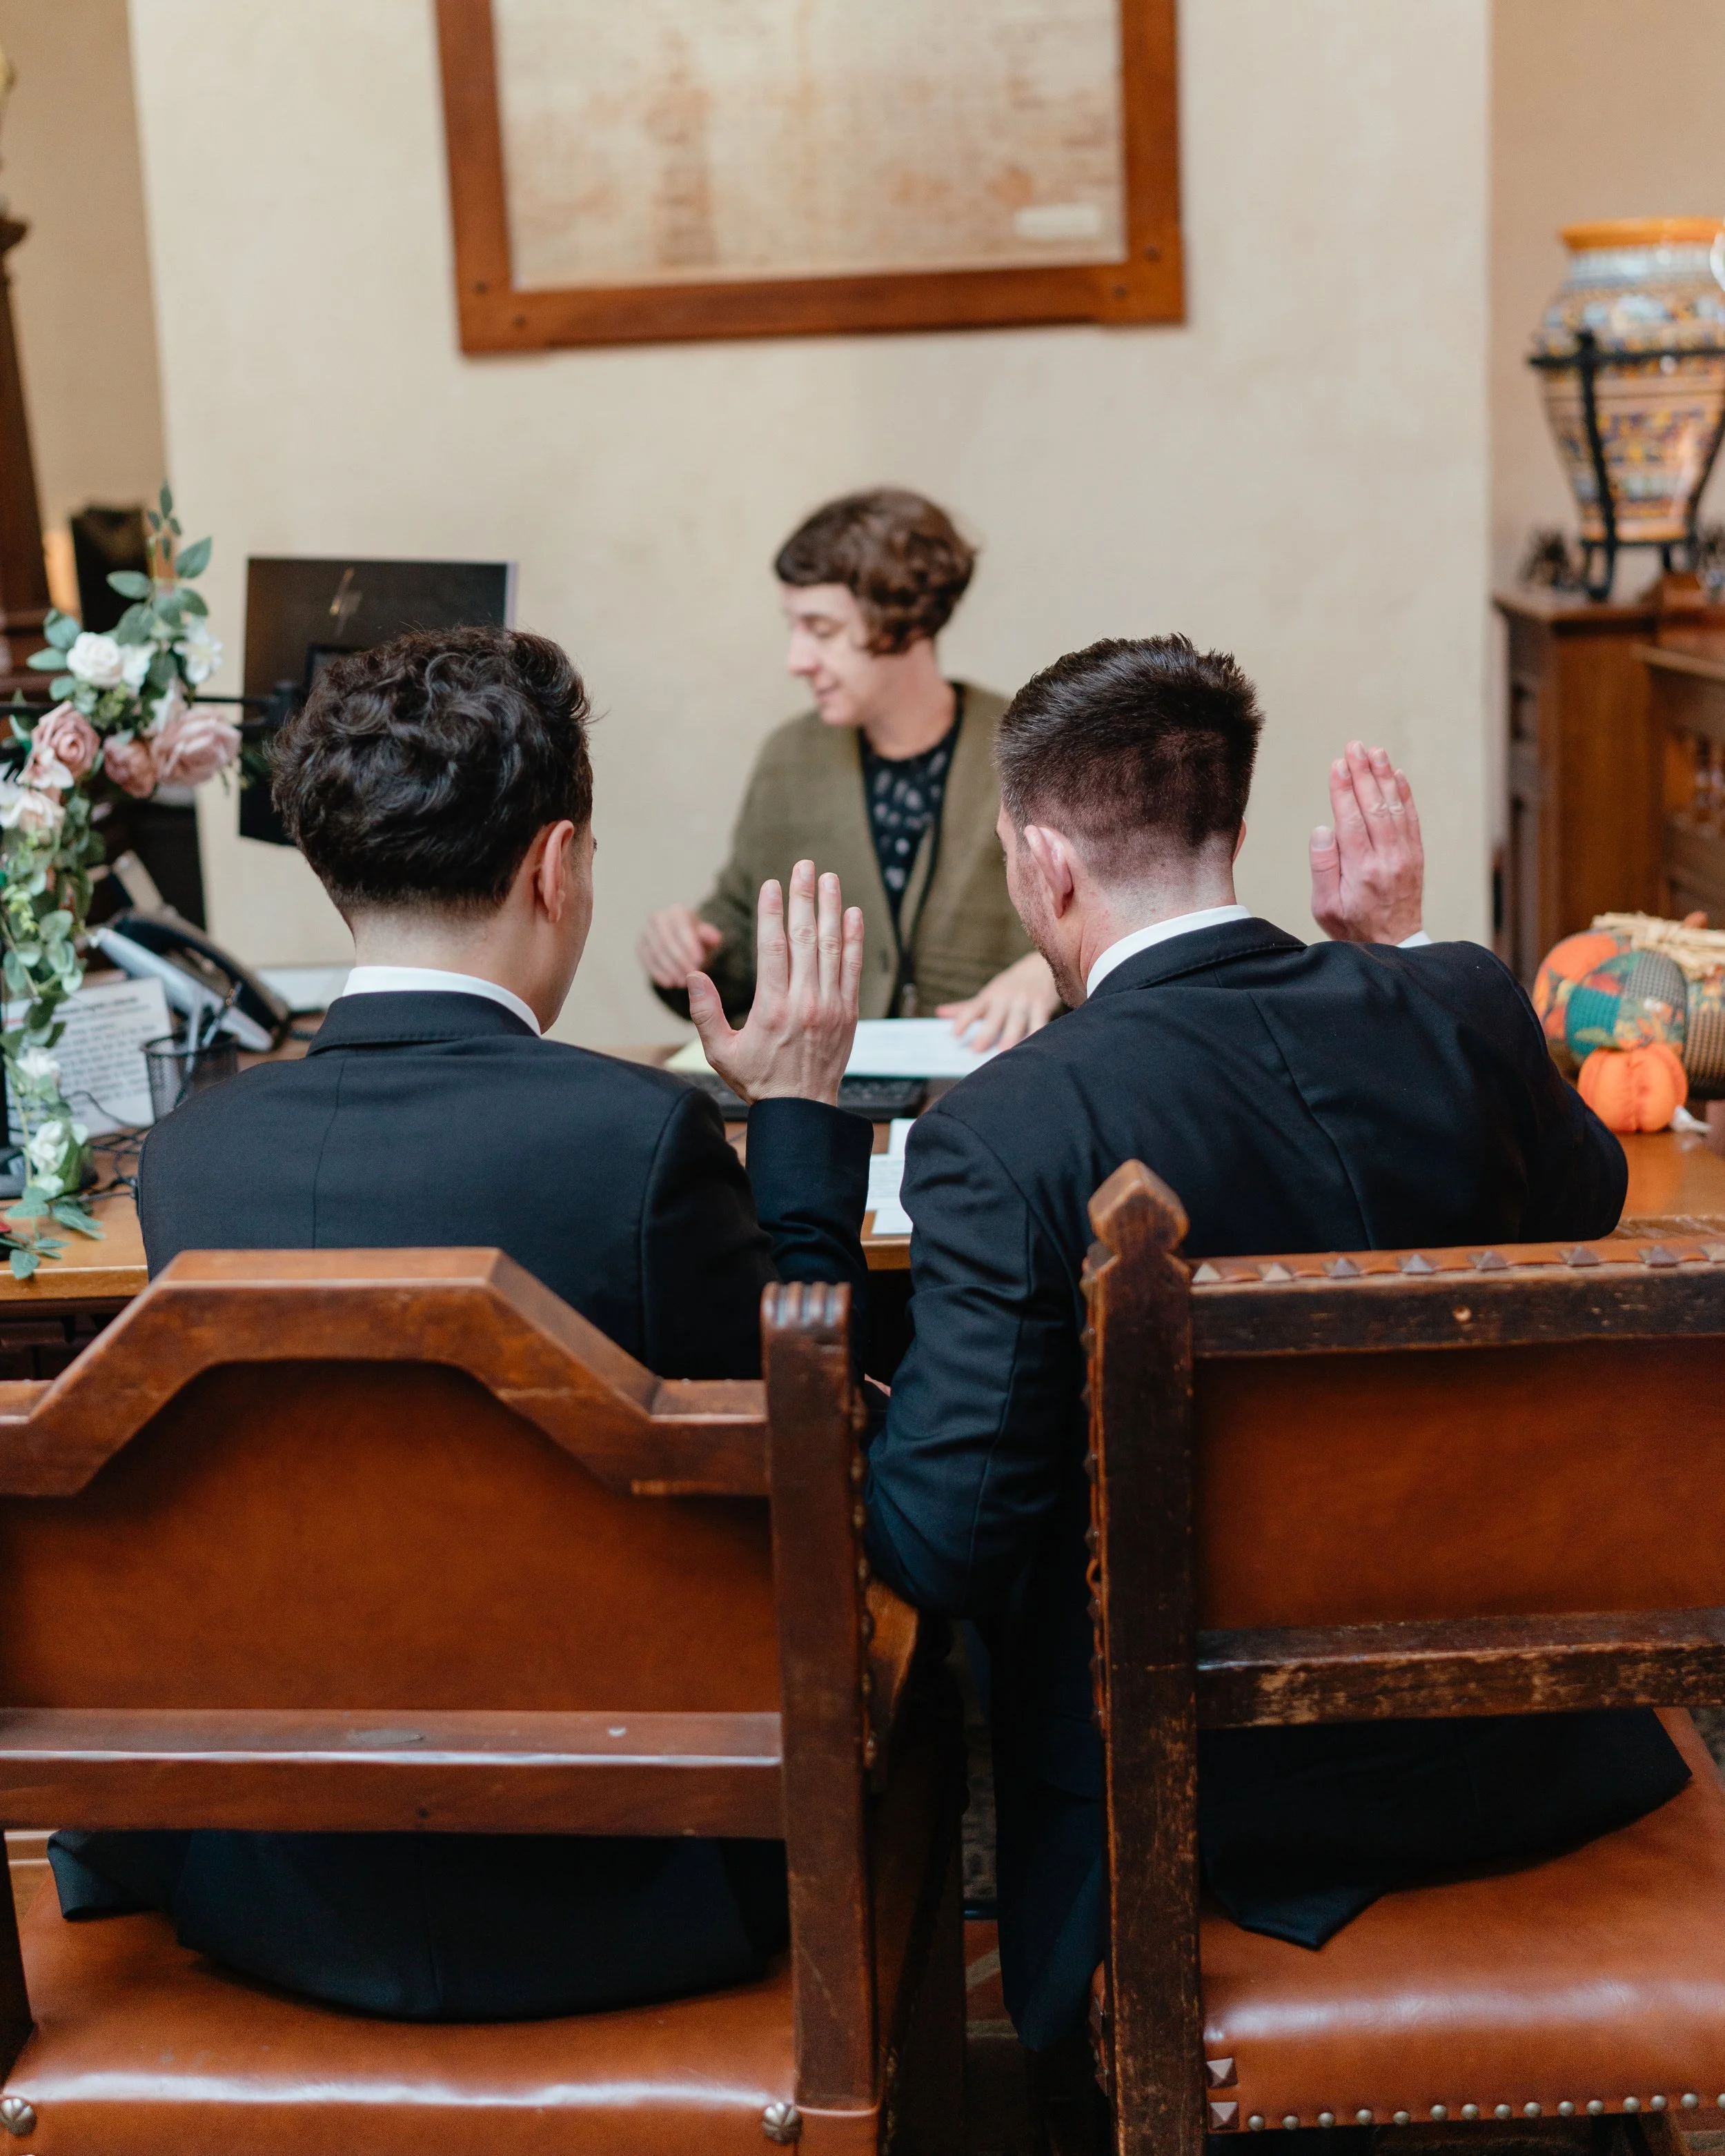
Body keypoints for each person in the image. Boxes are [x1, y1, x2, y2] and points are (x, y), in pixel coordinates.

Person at [691, 635, 1688, 2079]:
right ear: (1226, 832)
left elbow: (936, 1539)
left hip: (1195, 1813)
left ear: (1044, 866)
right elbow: (1584, 1200)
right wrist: (1396, 963)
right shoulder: (1456, 1000)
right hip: (1537, 1757)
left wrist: (798, 1124)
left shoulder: (1011, 1126)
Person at [47, 624, 874, 2021]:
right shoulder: (640, 1139)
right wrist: (790, 1114)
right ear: (556, 865)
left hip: (282, 1897)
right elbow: (807, 1434)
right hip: (639, 1892)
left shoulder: (194, 1158)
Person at [640, 487, 1061, 1049]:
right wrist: (692, 948)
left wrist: (1050, 973)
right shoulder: (787, 759)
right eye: (794, 628)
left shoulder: (1034, 748)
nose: (797, 660)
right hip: (830, 1093)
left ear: (903, 617)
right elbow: (737, 938)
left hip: (996, 1090)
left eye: (822, 630)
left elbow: (1115, 924)